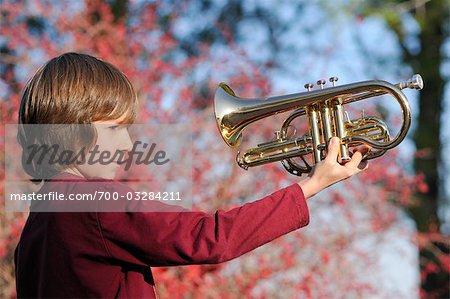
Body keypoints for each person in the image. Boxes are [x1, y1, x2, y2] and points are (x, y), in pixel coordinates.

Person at [14, 52, 368, 298]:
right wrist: (311, 185)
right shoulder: (93, 201)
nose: (126, 143)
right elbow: (212, 238)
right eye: (112, 129)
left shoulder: (38, 221)